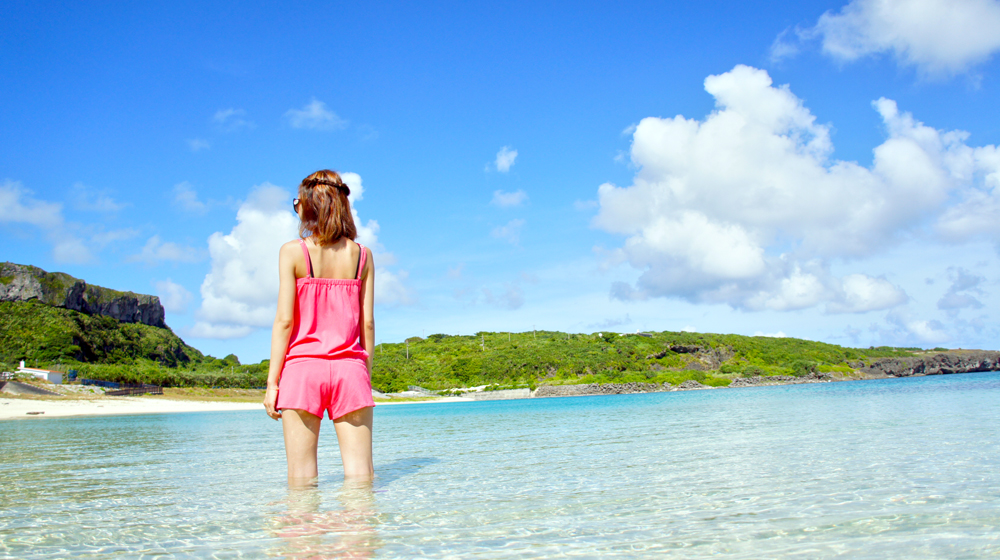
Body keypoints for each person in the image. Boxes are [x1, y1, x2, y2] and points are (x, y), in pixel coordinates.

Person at [263, 169, 376, 482]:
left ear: (310, 206)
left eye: (297, 203)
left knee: (301, 480)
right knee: (360, 478)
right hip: (350, 368)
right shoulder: (362, 256)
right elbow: (367, 322)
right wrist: (366, 372)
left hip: (302, 370)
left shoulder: (292, 252)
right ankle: (360, 531)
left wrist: (273, 382)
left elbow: (284, 321)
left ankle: (303, 531)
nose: (296, 208)